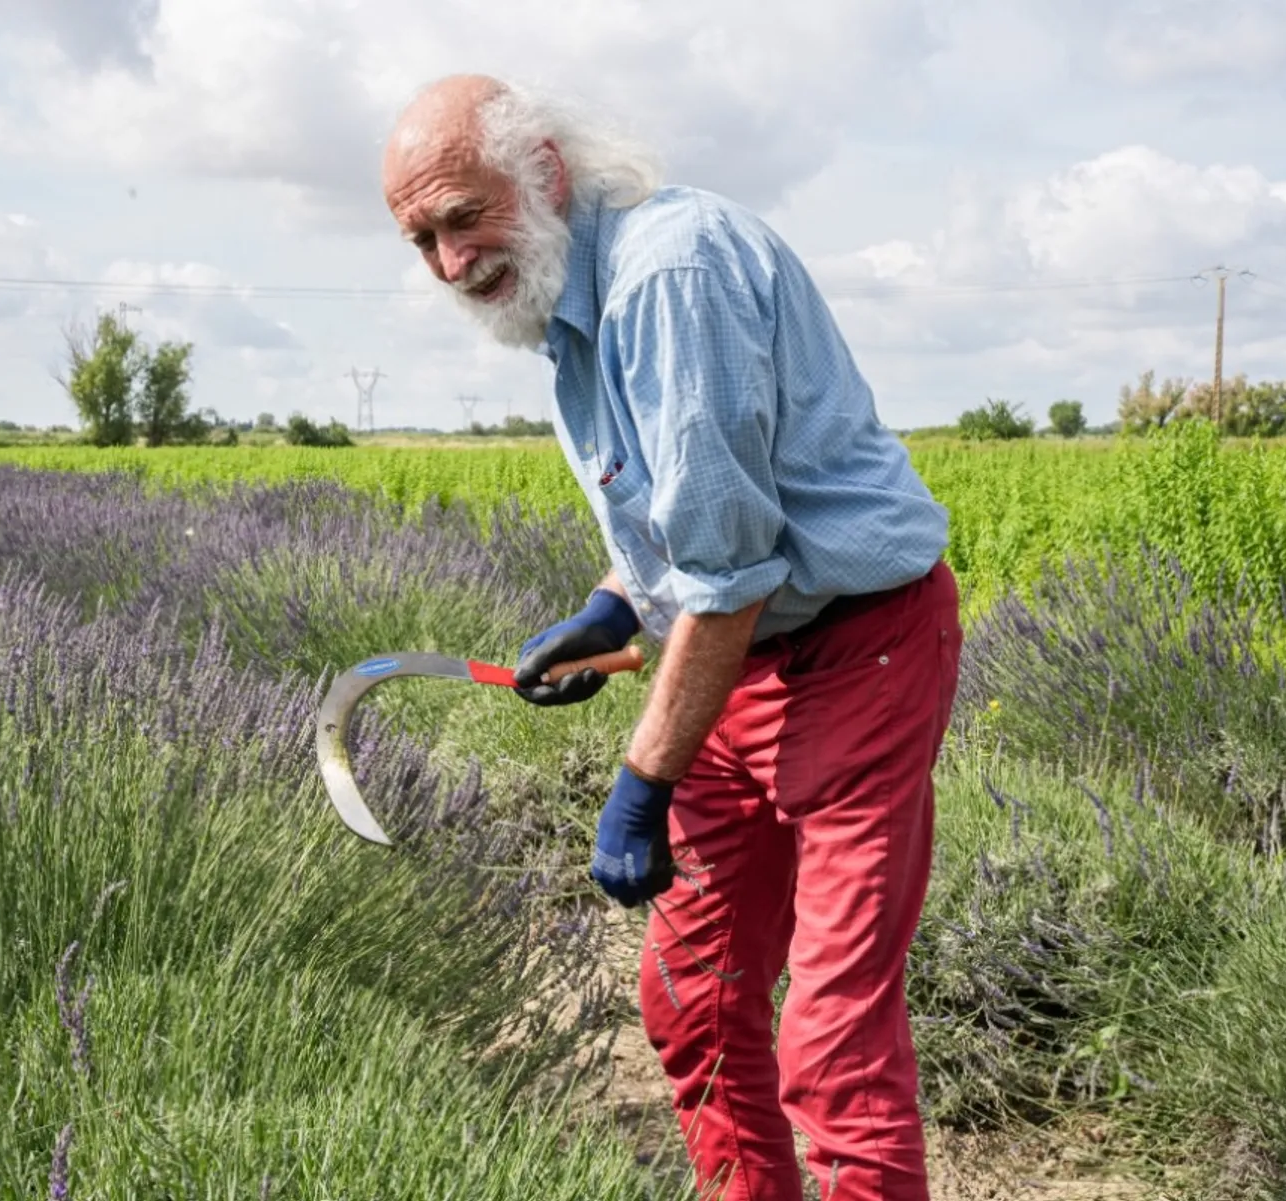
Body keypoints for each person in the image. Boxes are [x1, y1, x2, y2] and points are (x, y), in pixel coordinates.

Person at [381, 74, 962, 1201]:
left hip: (858, 654)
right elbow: (686, 524)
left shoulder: (668, 275)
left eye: (464, 216)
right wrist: (616, 603)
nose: (452, 263)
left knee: (833, 1046)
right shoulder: (565, 304)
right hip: (737, 657)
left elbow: (734, 572)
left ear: (544, 172)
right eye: (422, 241)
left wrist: (643, 777)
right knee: (693, 1001)